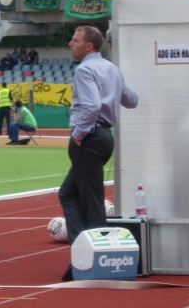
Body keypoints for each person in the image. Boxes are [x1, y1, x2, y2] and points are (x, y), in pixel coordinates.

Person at [59, 26, 138, 282]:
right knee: (69, 194)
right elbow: (131, 100)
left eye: (75, 40)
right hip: (104, 137)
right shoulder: (111, 68)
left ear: (88, 46)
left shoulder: (84, 69)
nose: (71, 43)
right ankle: (82, 254)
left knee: (91, 202)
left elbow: (92, 105)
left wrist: (79, 135)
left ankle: (93, 261)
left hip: (90, 138)